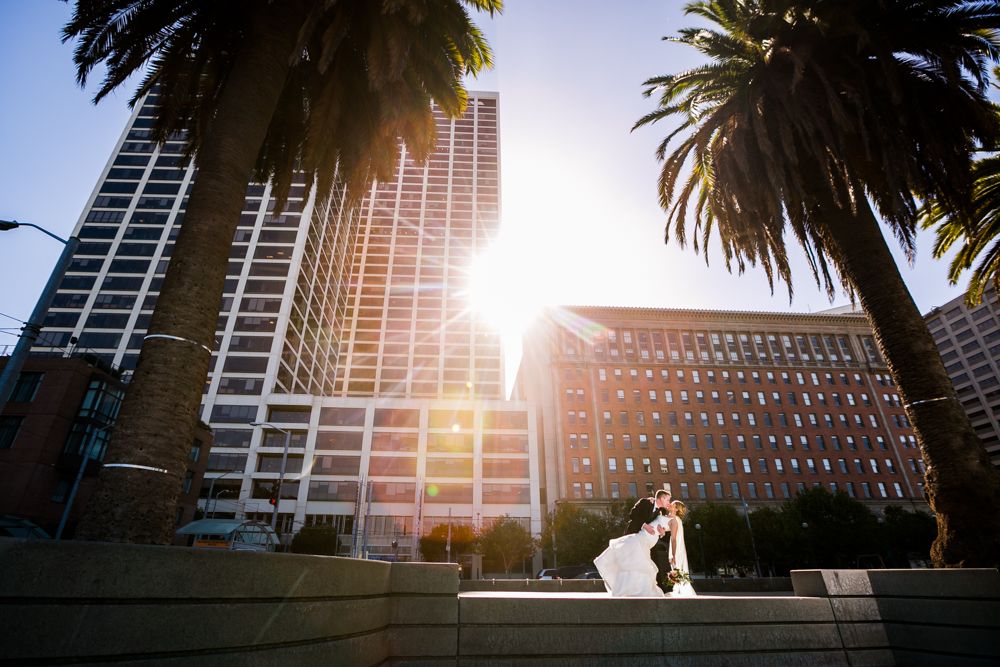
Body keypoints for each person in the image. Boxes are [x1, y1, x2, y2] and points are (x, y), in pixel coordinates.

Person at [594, 504, 671, 597]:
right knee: (635, 563)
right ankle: (630, 590)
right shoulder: (657, 512)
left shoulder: (668, 519)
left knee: (640, 564)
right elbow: (639, 516)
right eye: (667, 501)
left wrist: (662, 533)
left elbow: (664, 531)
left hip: (648, 540)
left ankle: (635, 589)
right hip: (642, 538)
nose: (669, 504)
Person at [666, 500, 697, 597]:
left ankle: (679, 592)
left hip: (676, 549)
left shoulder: (674, 519)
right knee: (677, 571)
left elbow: (674, 538)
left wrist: (674, 554)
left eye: (672, 504)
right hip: (677, 548)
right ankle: (679, 590)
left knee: (677, 570)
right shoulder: (675, 519)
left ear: (675, 509)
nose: (670, 504)